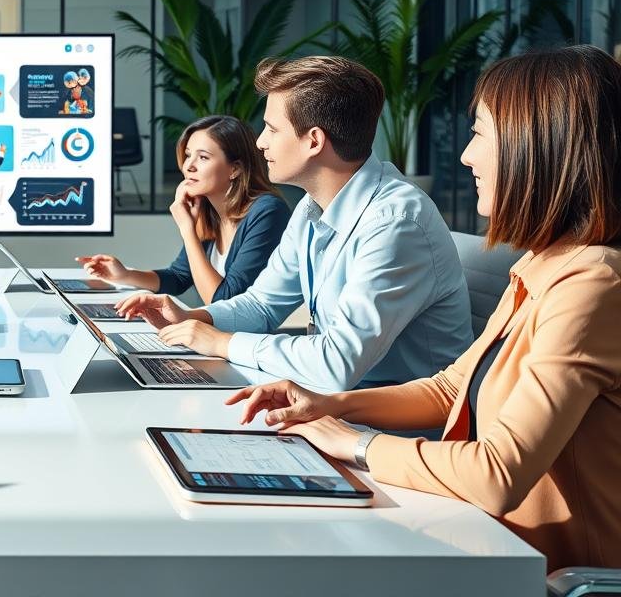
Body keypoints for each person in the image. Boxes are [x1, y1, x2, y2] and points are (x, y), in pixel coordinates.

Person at [229, 46, 621, 571]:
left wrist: (353, 441)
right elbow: (451, 386)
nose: (466, 157)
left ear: (540, 145)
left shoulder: (592, 283)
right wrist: (330, 406)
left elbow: (496, 475)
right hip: (483, 538)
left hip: (542, 570)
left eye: (480, 134)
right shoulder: (545, 263)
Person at [117, 56, 472, 392]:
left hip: (391, 433)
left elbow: (337, 364)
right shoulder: (310, 208)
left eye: (272, 129)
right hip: (333, 406)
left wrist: (222, 343)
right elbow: (262, 305)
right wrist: (194, 317)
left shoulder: (395, 224)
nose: (260, 142)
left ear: (313, 141)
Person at [77, 115, 290, 304]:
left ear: (234, 169)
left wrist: (188, 230)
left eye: (203, 157)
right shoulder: (208, 210)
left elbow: (225, 300)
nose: (189, 166)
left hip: (241, 342)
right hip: (213, 336)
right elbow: (179, 277)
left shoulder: (267, 212)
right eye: (188, 155)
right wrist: (124, 275)